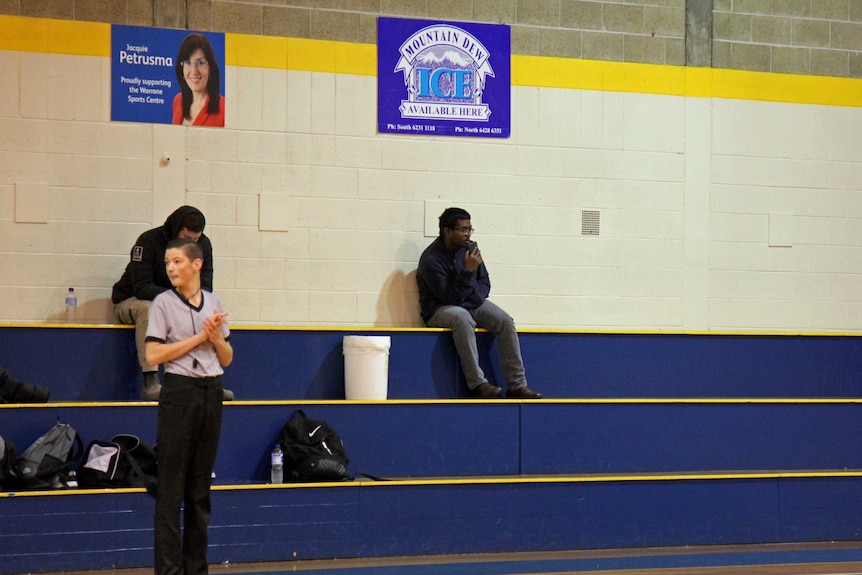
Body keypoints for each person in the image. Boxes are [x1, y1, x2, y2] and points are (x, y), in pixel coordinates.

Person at [145, 237, 233, 575]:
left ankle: (197, 568)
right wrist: (200, 337)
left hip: (211, 392)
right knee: (171, 488)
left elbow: (226, 357)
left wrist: (215, 338)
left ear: (196, 264)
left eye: (177, 262)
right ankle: (169, 570)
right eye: (167, 263)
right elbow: (153, 355)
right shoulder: (162, 304)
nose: (171, 268)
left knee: (200, 488)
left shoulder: (214, 302)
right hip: (179, 392)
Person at [417, 207, 543, 399]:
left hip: (469, 302)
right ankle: (477, 384)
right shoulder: (431, 259)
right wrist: (467, 272)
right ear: (447, 231)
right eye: (463, 230)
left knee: (504, 320)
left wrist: (476, 297)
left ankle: (516, 385)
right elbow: (450, 298)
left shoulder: (470, 248)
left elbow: (485, 282)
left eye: (470, 229)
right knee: (462, 317)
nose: (468, 234)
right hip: (438, 309)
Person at [111, 205, 233, 401]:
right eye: (186, 238)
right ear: (175, 230)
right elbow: (141, 287)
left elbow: (206, 286)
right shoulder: (148, 241)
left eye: (195, 240)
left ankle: (206, 381)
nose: (191, 243)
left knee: (205, 311)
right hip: (131, 301)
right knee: (150, 308)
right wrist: (177, 301)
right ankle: (150, 381)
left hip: (174, 300)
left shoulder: (204, 246)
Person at [172, 33, 225, 127]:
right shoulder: (178, 100)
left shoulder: (225, 109)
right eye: (188, 62)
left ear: (210, 67)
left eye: (200, 63)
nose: (194, 71)